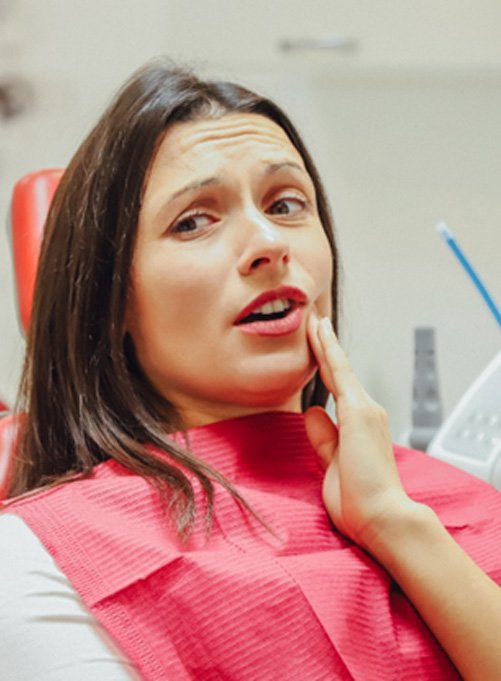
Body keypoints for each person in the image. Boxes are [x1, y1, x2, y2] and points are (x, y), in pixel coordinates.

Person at [1, 59, 500, 681]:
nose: (268, 242)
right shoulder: (39, 556)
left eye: (287, 204)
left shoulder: (439, 502)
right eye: (193, 221)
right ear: (112, 302)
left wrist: (396, 525)